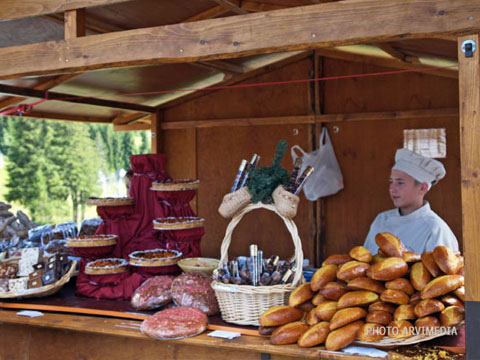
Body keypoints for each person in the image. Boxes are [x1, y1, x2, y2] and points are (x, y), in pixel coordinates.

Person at [364, 148, 459, 254]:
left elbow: (446, 268)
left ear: (422, 188)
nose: (392, 189)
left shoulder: (436, 229)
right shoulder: (381, 220)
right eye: (391, 182)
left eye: (400, 183)